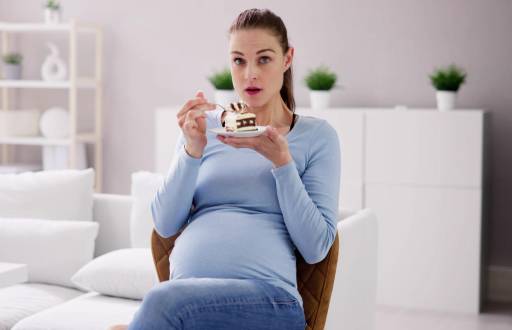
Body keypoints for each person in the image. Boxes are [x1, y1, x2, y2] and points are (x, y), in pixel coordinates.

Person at [126, 8, 340, 330]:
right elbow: (165, 225)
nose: (249, 73)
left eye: (264, 59)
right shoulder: (205, 129)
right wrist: (192, 150)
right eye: (239, 60)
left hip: (271, 301)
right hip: (185, 299)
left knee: (161, 302)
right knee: (166, 302)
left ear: (287, 59)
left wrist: (282, 164)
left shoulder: (315, 137)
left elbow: (316, 248)